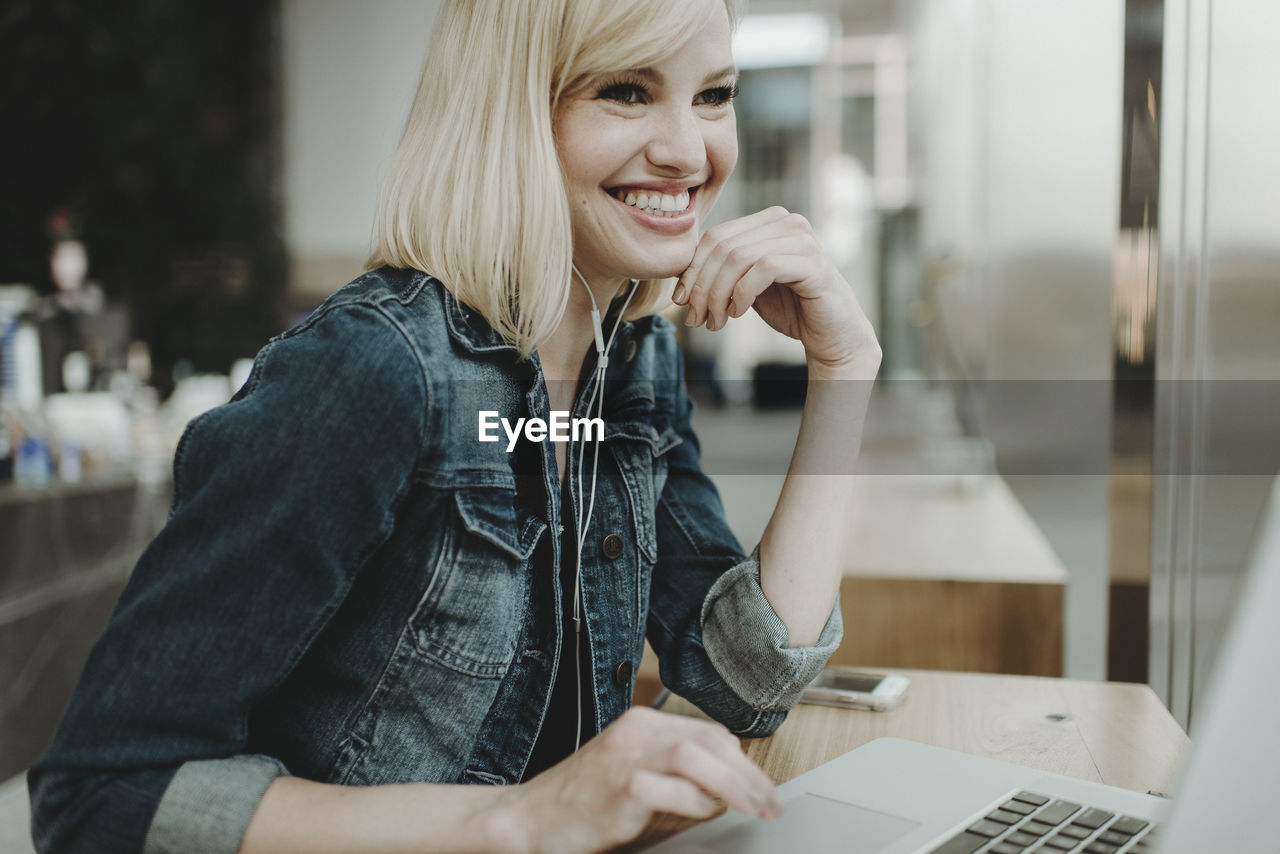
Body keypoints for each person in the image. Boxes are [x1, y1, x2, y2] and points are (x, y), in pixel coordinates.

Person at [29, 0, 881, 851]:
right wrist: (520, 818)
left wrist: (845, 374)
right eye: (625, 91)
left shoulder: (634, 362)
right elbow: (102, 795)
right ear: (512, 111)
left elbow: (749, 677)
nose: (690, 152)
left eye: (715, 95)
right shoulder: (375, 368)